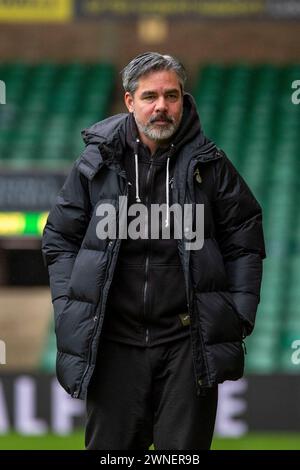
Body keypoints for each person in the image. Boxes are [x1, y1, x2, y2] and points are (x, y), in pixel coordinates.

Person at [42, 52, 266, 450]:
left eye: (171, 96)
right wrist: (68, 304)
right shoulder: (95, 164)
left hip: (186, 345)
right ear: (130, 102)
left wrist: (238, 314)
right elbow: (59, 238)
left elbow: (245, 239)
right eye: (149, 96)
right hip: (114, 346)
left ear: (183, 99)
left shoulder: (210, 166)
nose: (161, 106)